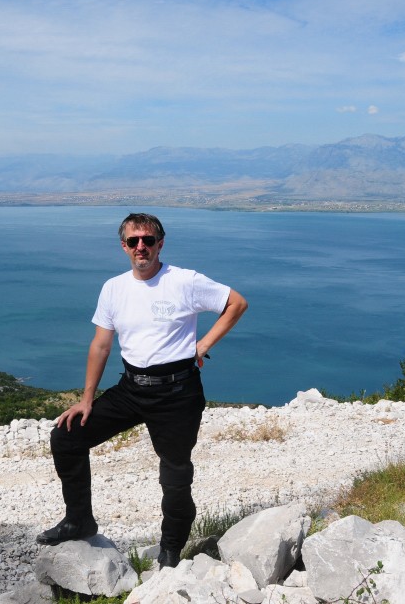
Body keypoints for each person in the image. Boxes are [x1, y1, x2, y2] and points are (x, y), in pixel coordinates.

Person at [37, 212, 248, 569]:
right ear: (123, 246)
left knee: (175, 473)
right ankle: (79, 520)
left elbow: (236, 303)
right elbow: (101, 346)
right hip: (131, 388)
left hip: (177, 392)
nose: (141, 247)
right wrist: (87, 399)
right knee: (66, 436)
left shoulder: (184, 281)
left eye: (148, 240)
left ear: (160, 244)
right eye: (134, 241)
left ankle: (170, 550)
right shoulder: (114, 288)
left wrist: (202, 344)